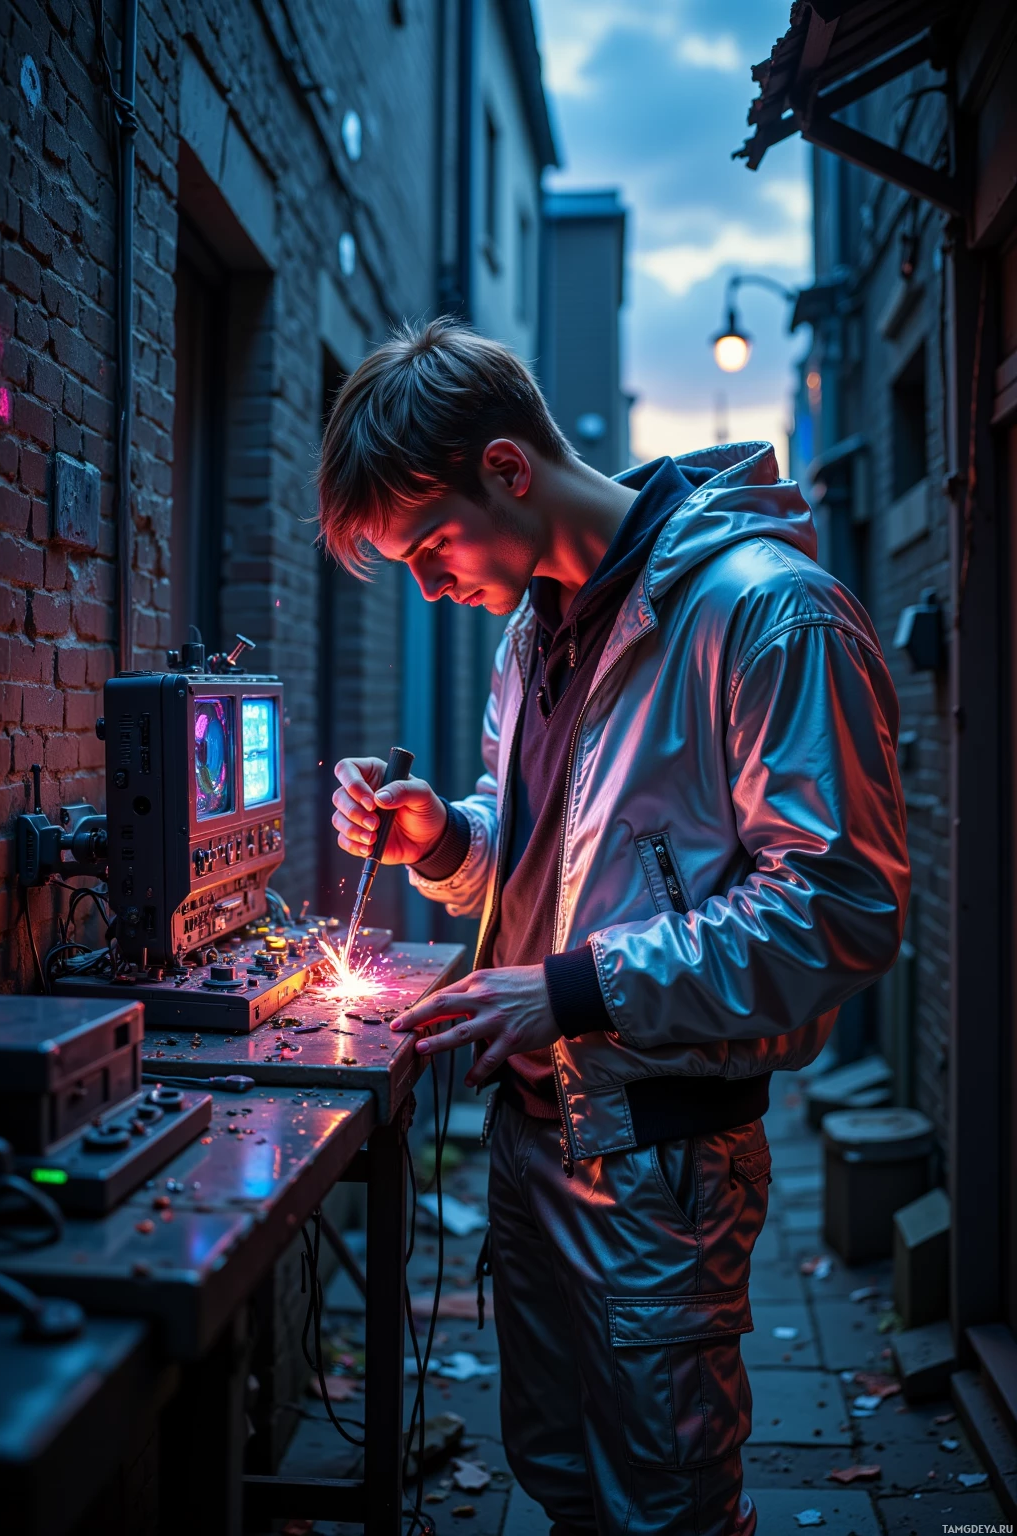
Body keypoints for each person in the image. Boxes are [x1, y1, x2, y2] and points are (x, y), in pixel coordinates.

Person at [319, 319, 910, 1536]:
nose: (430, 586)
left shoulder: (769, 613)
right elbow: (565, 853)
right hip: (536, 1144)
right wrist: (449, 837)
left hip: (660, 1164)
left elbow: (838, 907)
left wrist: (573, 992)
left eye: (431, 547)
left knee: (667, 1512)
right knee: (561, 1484)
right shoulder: (536, 627)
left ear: (508, 468)